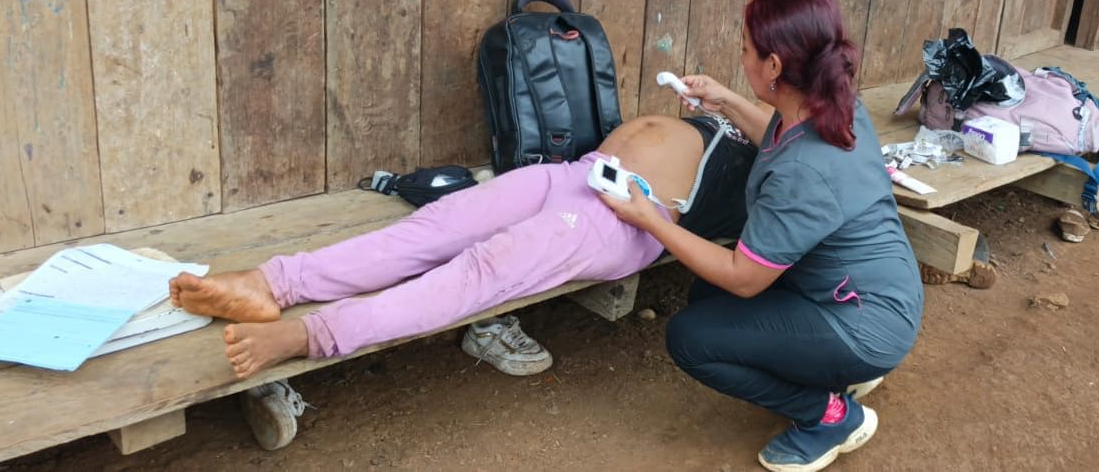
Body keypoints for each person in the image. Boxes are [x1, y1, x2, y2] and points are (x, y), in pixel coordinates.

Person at [600, 0, 924, 472]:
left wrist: (651, 218)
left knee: (691, 337)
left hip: (863, 324)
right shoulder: (834, 104)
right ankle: (833, 372)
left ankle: (830, 415)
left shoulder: (803, 174)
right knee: (706, 299)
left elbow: (743, 277)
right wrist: (726, 100)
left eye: (746, 49)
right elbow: (780, 137)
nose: (742, 56)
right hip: (875, 290)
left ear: (774, 66)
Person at [168, 112, 757, 378]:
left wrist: (652, 220)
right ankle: (270, 283)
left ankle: (310, 336)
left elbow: (748, 250)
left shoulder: (787, 155)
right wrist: (723, 99)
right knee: (434, 226)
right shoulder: (757, 114)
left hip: (626, 219)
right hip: (580, 173)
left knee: (481, 270)